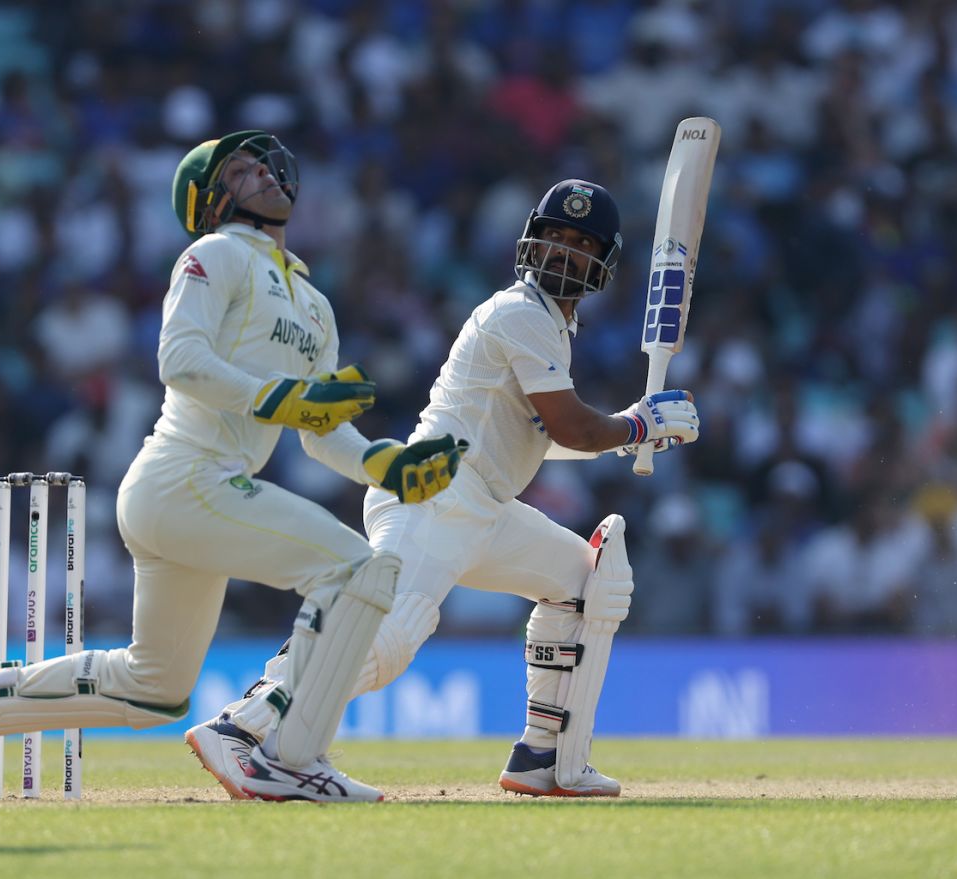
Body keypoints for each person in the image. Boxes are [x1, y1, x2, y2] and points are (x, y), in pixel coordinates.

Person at [0, 130, 467, 803]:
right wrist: (287, 398)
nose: (262, 173)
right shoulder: (213, 254)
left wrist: (392, 464)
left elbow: (322, 435)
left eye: (263, 163)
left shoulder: (315, 307)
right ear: (210, 200)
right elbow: (180, 360)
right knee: (358, 568)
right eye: (239, 170)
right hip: (184, 474)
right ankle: (284, 751)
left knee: (155, 687)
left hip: (198, 493)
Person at [185, 179, 700, 798]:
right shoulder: (519, 313)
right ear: (530, 242)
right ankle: (243, 726)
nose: (564, 251)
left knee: (587, 582)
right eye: (555, 236)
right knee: (387, 638)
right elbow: (572, 426)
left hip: (479, 507)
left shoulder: (548, 329)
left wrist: (630, 432)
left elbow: (544, 435)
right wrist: (639, 423)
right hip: (436, 493)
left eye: (581, 242)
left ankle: (543, 754)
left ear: (603, 262)